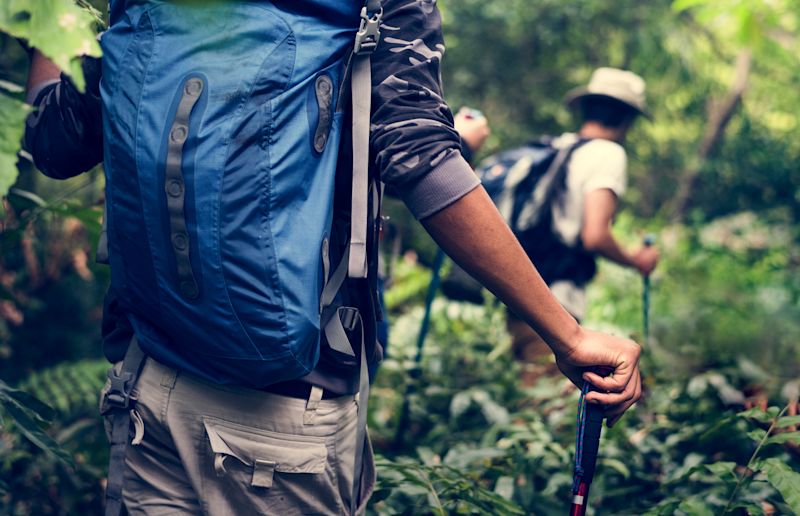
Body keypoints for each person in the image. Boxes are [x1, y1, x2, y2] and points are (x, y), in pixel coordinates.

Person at [23, 4, 642, 514]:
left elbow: (52, 141)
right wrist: (567, 333)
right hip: (282, 419)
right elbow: (418, 158)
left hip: (146, 378)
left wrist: (45, 17)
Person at [505, 67, 660, 383]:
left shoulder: (557, 147)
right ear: (627, 118)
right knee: (545, 400)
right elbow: (595, 235)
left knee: (530, 389)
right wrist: (636, 260)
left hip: (520, 289)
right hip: (556, 300)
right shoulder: (608, 154)